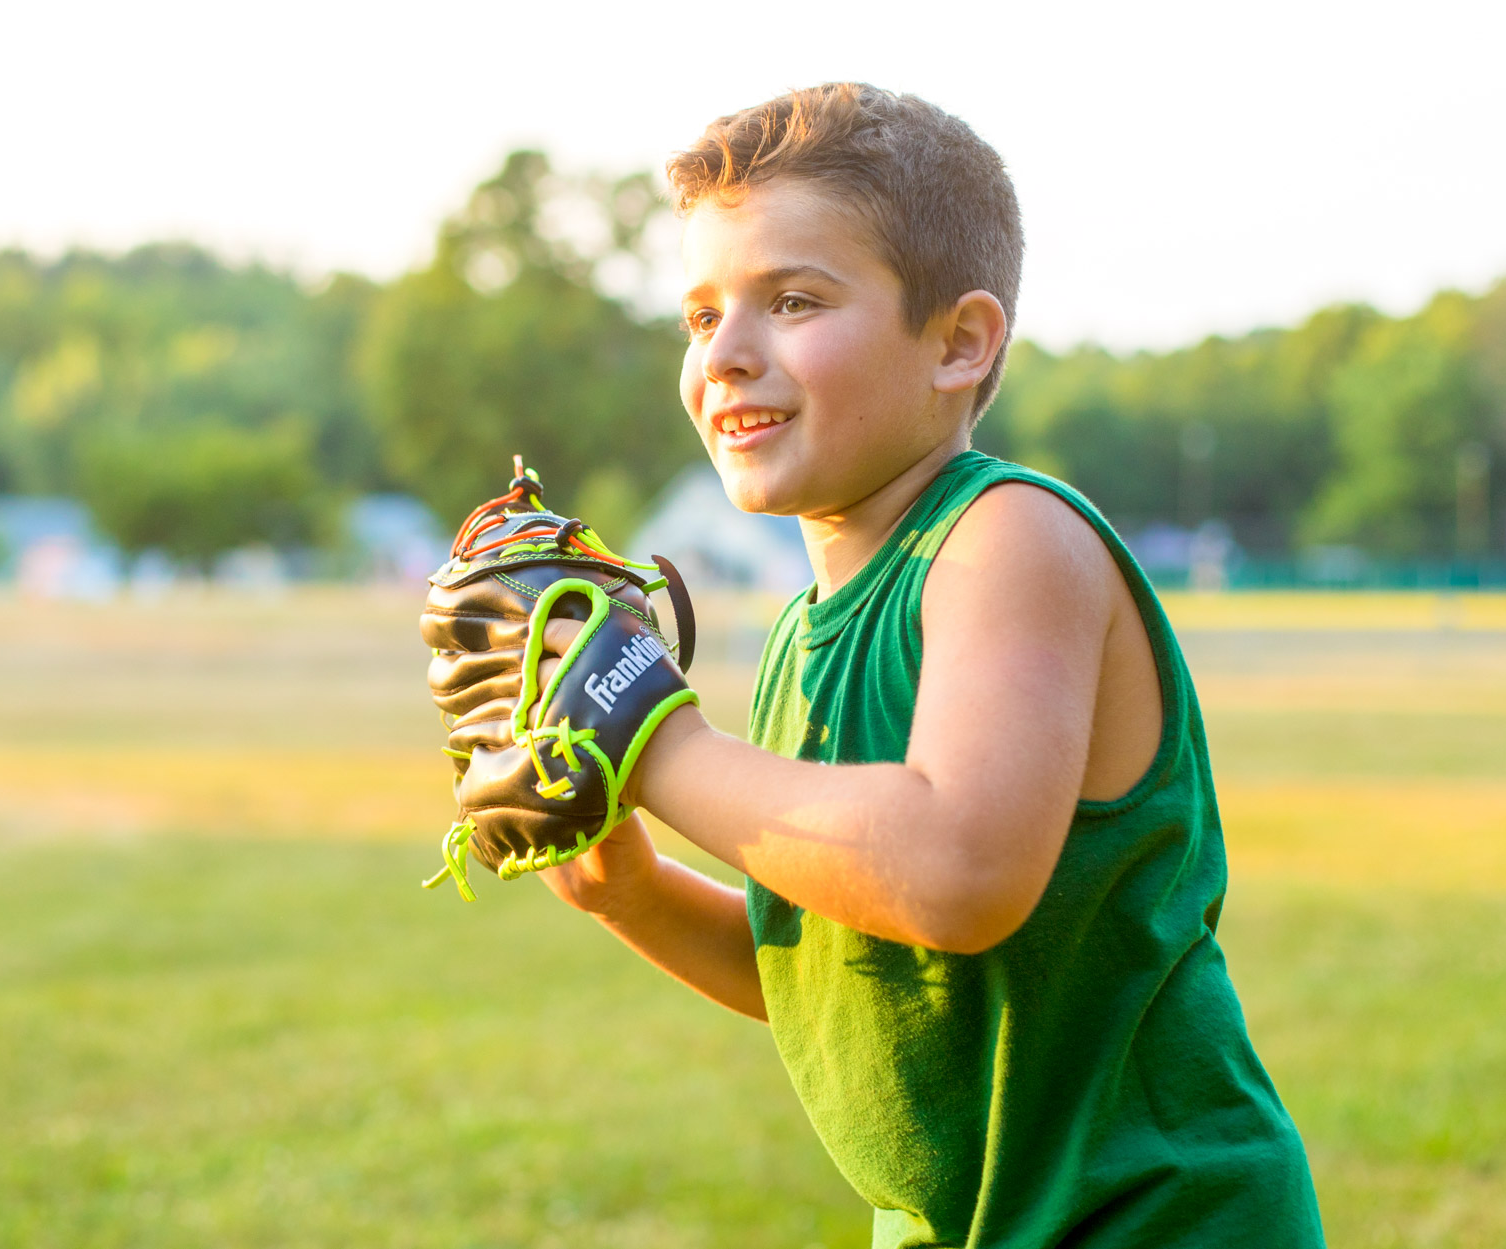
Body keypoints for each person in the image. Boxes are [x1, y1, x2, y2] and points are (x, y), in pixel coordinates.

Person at [436, 84, 1324, 1245]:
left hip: (1154, 1213)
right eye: (701, 317)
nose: (730, 355)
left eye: (793, 300)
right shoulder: (806, 635)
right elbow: (843, 974)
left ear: (959, 343)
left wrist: (649, 738)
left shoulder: (1006, 538)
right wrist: (632, 893)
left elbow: (953, 870)